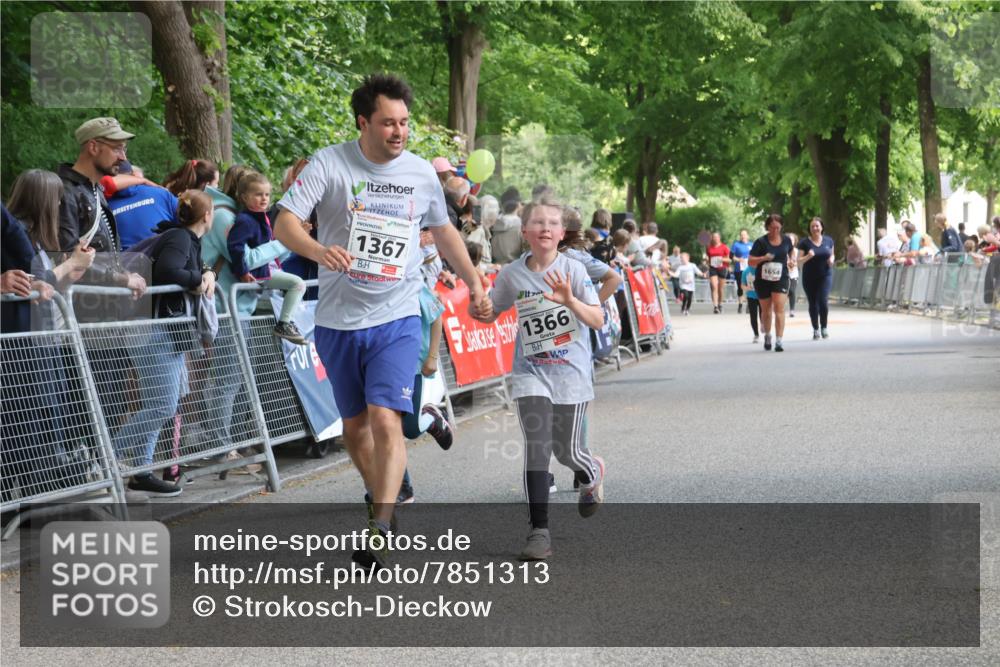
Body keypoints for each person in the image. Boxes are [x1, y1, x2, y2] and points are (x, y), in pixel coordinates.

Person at [272, 73, 490, 569]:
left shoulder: (418, 173)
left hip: (397, 314)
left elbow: (445, 233)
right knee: (354, 428)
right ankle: (383, 495)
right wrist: (317, 249)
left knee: (386, 418)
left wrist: (475, 283)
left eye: (405, 123)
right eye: (388, 123)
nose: (399, 132)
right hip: (337, 320)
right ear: (363, 122)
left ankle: (382, 523)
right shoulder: (330, 164)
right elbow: (284, 221)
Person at [478, 196, 605, 561]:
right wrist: (480, 310)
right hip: (530, 371)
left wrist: (569, 300)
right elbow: (492, 312)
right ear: (526, 231)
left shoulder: (575, 270)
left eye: (552, 223)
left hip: (571, 375)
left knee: (568, 452)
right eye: (538, 222)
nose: (545, 228)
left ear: (561, 232)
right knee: (537, 446)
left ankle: (592, 470)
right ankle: (539, 532)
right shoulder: (512, 273)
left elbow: (596, 320)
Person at [112, 190, 216, 496]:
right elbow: (169, 270)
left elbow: (186, 267)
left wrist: (206, 272)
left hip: (161, 331)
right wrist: (199, 279)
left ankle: (142, 470)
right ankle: (108, 456)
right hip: (156, 332)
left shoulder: (183, 238)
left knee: (158, 403)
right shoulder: (180, 238)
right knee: (162, 405)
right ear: (207, 216)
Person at [228, 171, 309, 345]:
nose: (264, 199)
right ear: (244, 197)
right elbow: (235, 247)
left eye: (266, 194)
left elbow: (274, 250)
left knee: (297, 284)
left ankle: (285, 323)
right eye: (258, 194)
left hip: (268, 269)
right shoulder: (245, 220)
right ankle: (284, 324)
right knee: (297, 283)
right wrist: (241, 271)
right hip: (259, 272)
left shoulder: (261, 218)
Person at [106, 161, 178, 250]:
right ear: (133, 176)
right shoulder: (161, 193)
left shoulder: (102, 205)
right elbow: (191, 218)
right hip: (166, 255)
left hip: (127, 261)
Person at [748, 213, 793, 351]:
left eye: (778, 227)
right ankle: (768, 335)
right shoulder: (760, 242)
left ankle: (779, 341)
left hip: (781, 278)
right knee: (766, 310)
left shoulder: (786, 240)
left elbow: (791, 253)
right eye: (772, 228)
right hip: (763, 279)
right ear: (767, 227)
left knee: (779, 308)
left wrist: (791, 261)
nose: (775, 230)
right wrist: (763, 258)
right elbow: (750, 261)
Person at [796, 217, 836, 340]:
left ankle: (824, 327)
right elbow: (798, 260)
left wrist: (831, 260)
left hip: (825, 275)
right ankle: (816, 329)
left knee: (823, 301)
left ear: (822, 227)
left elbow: (832, 254)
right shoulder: (804, 242)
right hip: (809, 277)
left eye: (817, 226)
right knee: (813, 303)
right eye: (812, 226)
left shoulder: (829, 241)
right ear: (810, 228)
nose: (815, 228)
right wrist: (808, 256)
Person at [492, 188, 524, 265]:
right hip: (515, 269)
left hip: (494, 268)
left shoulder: (492, 225)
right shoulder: (521, 227)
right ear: (518, 204)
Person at [705, 232, 731, 313]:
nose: (715, 238)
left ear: (719, 238)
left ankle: (720, 304)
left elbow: (729, 260)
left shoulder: (724, 247)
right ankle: (715, 307)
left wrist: (722, 259)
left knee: (720, 288)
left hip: (722, 268)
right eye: (714, 237)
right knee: (714, 286)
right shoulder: (709, 247)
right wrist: (707, 261)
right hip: (713, 268)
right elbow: (708, 259)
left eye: (716, 237)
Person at [730, 229, 752, 313]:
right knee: (740, 287)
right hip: (739, 269)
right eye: (741, 235)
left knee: (749, 286)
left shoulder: (752, 245)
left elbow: (755, 255)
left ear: (747, 236)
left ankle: (749, 305)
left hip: (749, 268)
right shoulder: (736, 244)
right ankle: (740, 304)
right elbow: (731, 256)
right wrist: (738, 259)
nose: (743, 236)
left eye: (744, 234)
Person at [741, 262, 760, 343]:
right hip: (751, 296)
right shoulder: (746, 271)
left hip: (761, 295)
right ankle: (756, 334)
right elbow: (742, 285)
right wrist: (746, 288)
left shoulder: (760, 269)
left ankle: (765, 328)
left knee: (763, 315)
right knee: (753, 316)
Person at [786, 232, 800, 317]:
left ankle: (792, 310)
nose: (791, 241)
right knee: (783, 292)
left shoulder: (797, 251)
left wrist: (795, 264)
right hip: (784, 274)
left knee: (792, 290)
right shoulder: (783, 250)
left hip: (794, 274)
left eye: (792, 240)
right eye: (789, 240)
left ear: (795, 241)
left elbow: (800, 261)